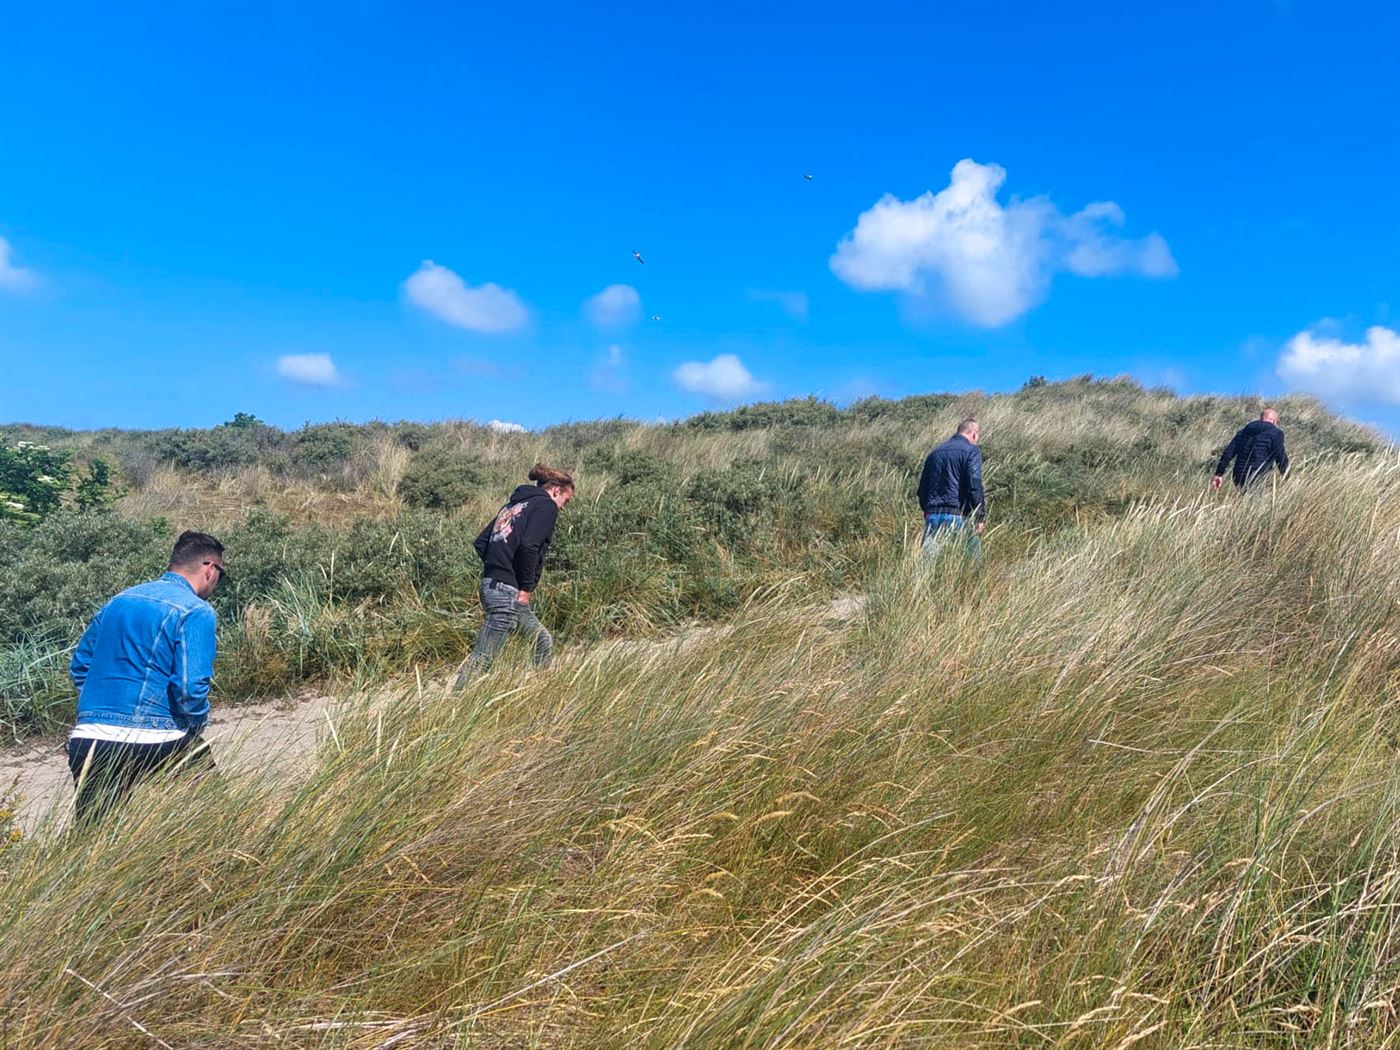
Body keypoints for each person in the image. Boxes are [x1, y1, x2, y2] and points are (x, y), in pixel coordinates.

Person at [67, 531, 224, 826]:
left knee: (92, 841)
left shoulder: (117, 601)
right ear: (209, 568)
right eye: (221, 574)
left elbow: (80, 667)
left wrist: (101, 708)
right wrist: (196, 723)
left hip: (88, 737)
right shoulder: (196, 611)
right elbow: (189, 688)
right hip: (157, 737)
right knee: (214, 821)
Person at [453, 464, 575, 687]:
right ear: (556, 490)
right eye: (565, 501)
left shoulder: (513, 505)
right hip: (508, 592)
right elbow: (529, 546)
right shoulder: (545, 506)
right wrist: (525, 589)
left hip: (492, 585)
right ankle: (454, 705)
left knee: (541, 640)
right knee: (483, 658)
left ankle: (542, 691)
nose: (563, 508)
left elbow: (481, 542)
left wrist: (498, 565)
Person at [917, 418, 986, 561]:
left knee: (928, 564)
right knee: (971, 559)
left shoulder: (934, 453)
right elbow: (974, 486)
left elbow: (922, 488)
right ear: (974, 434)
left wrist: (927, 510)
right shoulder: (972, 451)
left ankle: (925, 584)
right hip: (958, 514)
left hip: (933, 515)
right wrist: (979, 516)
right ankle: (973, 582)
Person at [1213, 408, 1290, 490]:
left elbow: (1228, 453)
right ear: (1275, 421)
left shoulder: (1243, 432)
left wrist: (1219, 473)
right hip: (1258, 475)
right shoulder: (1276, 433)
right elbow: (1280, 456)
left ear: (1260, 419)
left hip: (1238, 475)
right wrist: (1286, 477)